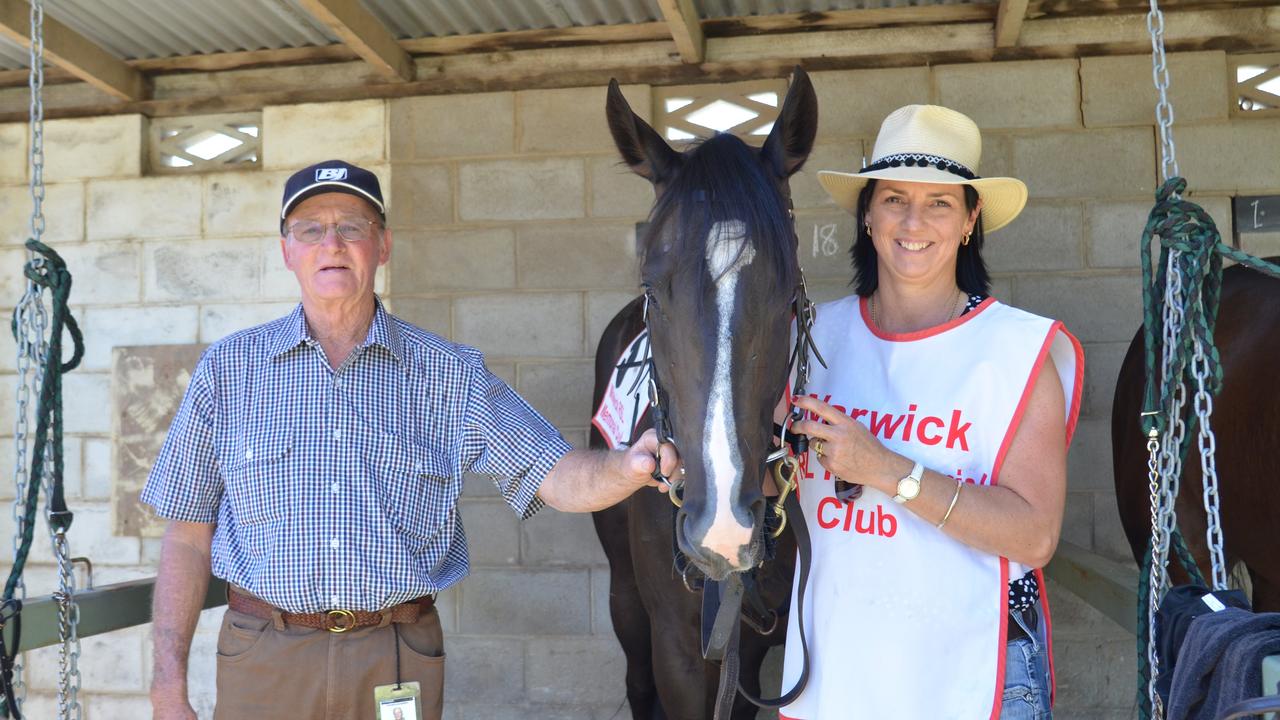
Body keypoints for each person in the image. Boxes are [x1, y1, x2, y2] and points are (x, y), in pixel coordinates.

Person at [143, 160, 678, 720]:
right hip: (263, 654)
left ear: (384, 245)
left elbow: (554, 471)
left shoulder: (449, 374)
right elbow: (185, 535)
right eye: (310, 229)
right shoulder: (229, 371)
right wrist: (166, 689)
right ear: (287, 251)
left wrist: (628, 467)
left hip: (394, 655)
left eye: (352, 226)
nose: (332, 242)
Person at [776, 106, 1083, 719]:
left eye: (940, 202)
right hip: (840, 668)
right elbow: (772, 479)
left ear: (971, 219)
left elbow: (1034, 535)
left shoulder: (1017, 351)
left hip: (973, 673)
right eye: (894, 198)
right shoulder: (810, 338)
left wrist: (886, 468)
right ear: (867, 215)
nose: (914, 221)